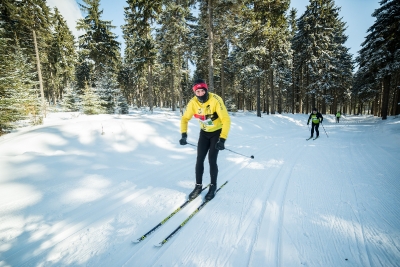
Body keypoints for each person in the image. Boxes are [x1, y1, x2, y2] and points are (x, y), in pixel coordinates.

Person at [179, 79, 231, 201]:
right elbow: (184, 119)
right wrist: (183, 135)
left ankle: (213, 186)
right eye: (198, 92)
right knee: (199, 159)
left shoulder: (215, 100)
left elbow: (226, 120)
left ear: (206, 90)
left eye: (202, 91)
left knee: (211, 159)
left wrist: (222, 140)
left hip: (216, 133)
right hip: (204, 133)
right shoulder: (192, 103)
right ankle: (198, 186)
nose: (201, 93)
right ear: (195, 93)